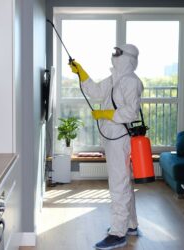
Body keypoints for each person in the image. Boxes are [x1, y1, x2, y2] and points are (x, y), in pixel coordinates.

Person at [69, 44, 144, 250]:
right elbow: (95, 92)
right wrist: (81, 72)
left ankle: (118, 233)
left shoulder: (131, 82)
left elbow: (131, 112)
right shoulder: (114, 79)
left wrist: (105, 114)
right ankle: (130, 225)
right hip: (112, 137)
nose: (114, 56)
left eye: (119, 53)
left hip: (120, 138)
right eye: (114, 52)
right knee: (124, 182)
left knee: (118, 185)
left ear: (128, 57)